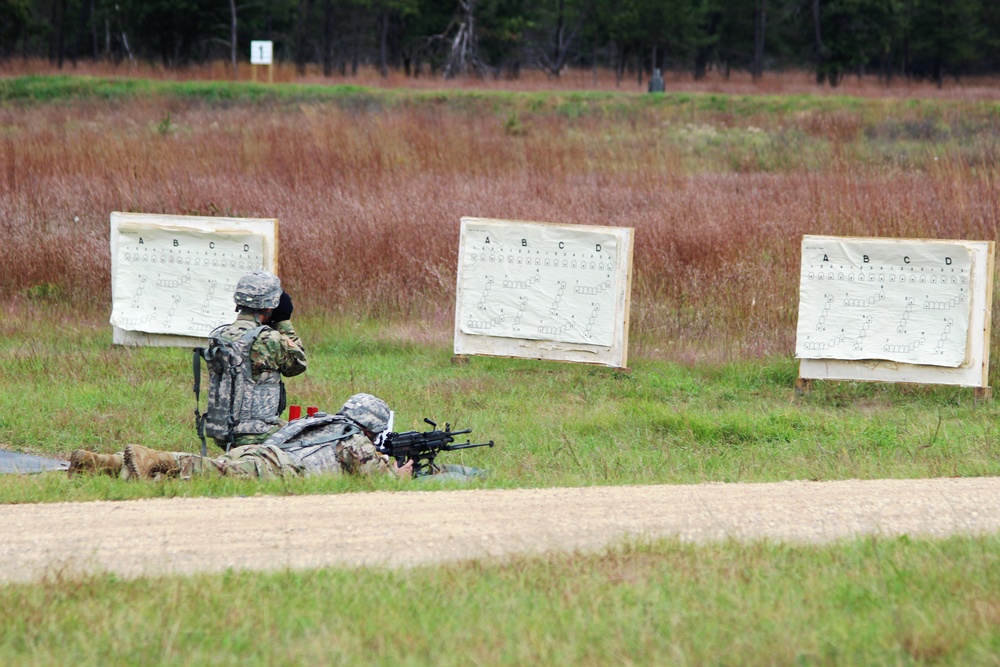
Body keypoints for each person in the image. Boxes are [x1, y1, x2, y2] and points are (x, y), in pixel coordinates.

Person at [68, 394, 485, 483]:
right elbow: (379, 479)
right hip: (271, 468)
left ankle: (99, 463)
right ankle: (147, 455)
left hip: (260, 449)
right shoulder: (354, 440)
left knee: (183, 481)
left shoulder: (323, 421)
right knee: (210, 471)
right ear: (372, 428)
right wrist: (403, 472)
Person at [199, 269, 307, 451]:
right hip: (257, 432)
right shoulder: (268, 339)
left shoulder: (220, 335)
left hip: (221, 430)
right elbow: (298, 365)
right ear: (270, 305)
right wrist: (282, 321)